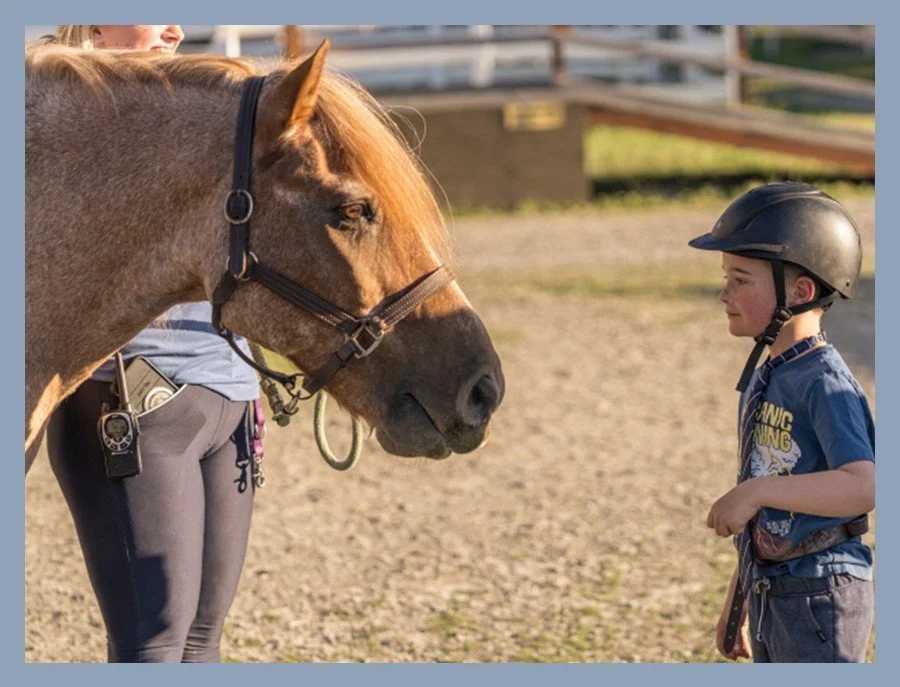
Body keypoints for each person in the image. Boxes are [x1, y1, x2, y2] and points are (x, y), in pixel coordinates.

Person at [39, 25, 264, 663]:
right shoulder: (59, 124)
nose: (175, 28)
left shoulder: (189, 113)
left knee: (202, 639)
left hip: (232, 399)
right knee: (153, 644)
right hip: (132, 402)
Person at [688, 182, 875, 662]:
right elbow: (765, 504)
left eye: (741, 279)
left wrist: (755, 492)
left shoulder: (823, 382)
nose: (724, 293)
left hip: (820, 595)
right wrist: (739, 602)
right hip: (774, 589)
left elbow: (864, 485)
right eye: (726, 277)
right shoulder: (771, 374)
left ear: (801, 291)